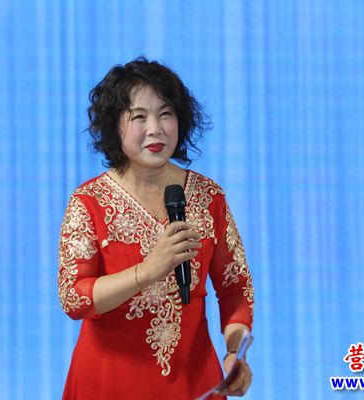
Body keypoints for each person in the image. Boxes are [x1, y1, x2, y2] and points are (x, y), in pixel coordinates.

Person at [58, 57, 254, 399]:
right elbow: (74, 298)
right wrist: (146, 272)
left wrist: (236, 353)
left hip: (194, 379)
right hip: (108, 382)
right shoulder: (88, 201)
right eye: (139, 117)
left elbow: (235, 288)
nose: (156, 129)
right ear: (113, 125)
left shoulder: (209, 196)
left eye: (166, 114)